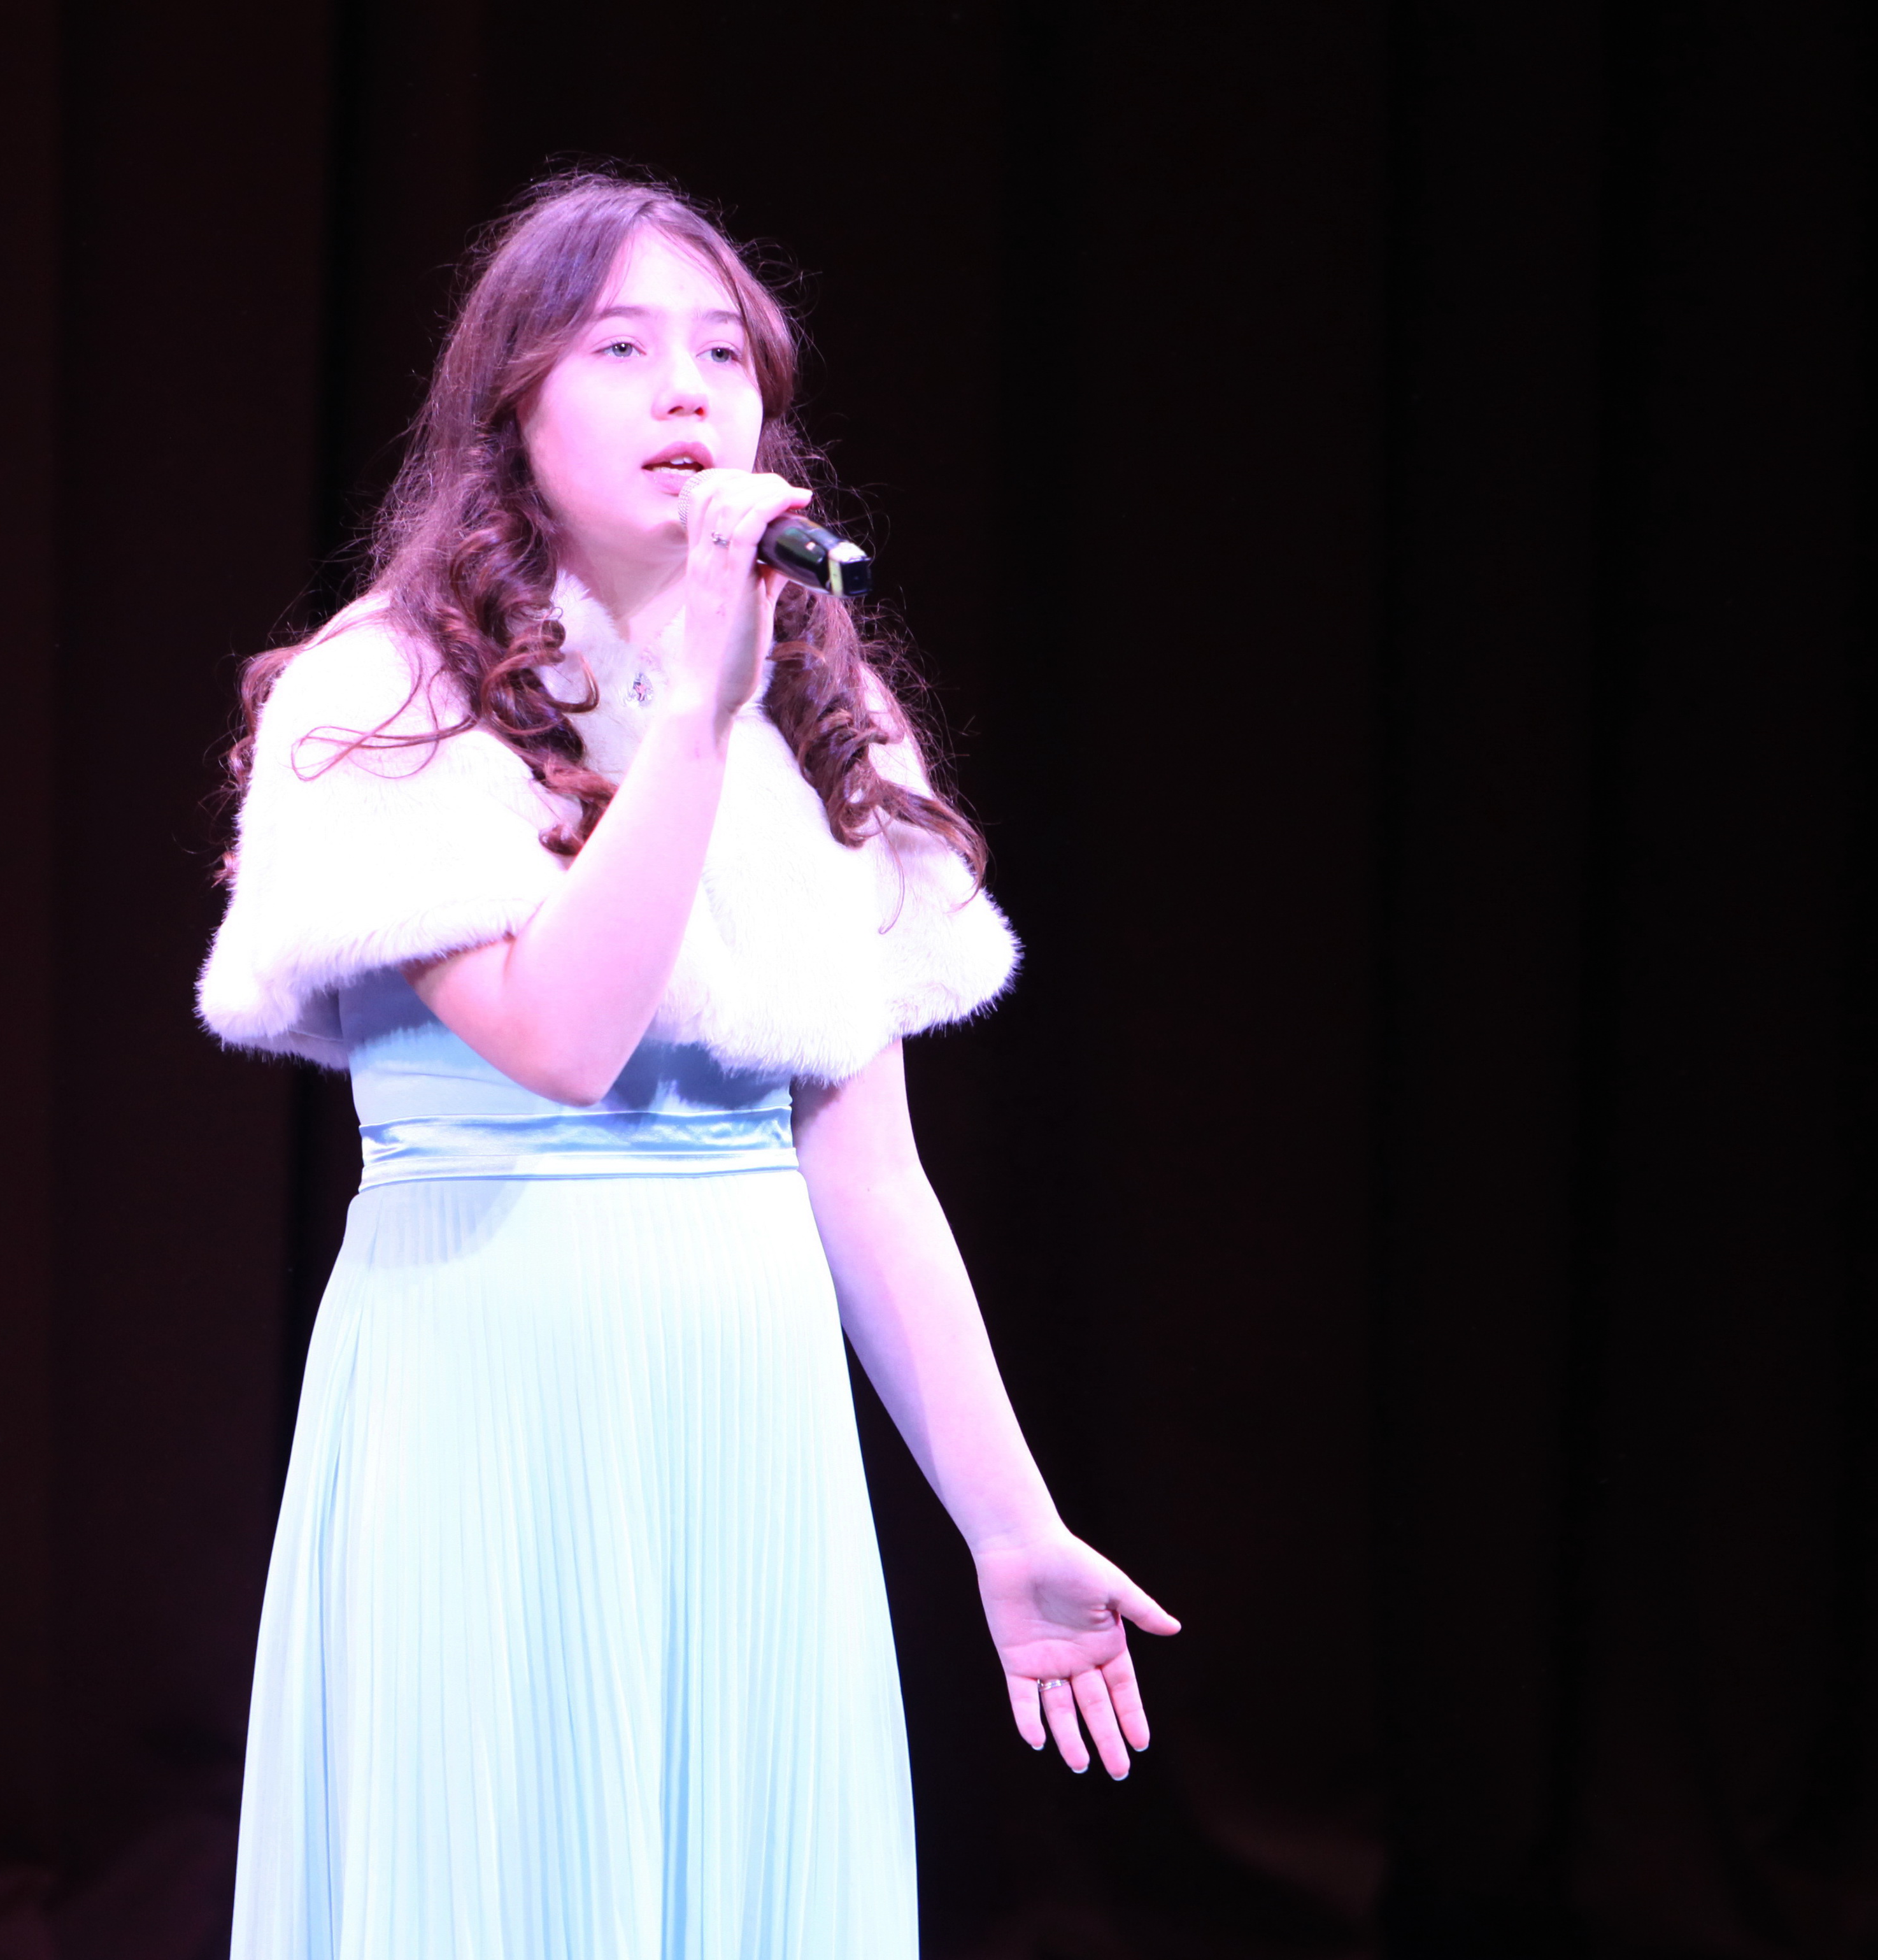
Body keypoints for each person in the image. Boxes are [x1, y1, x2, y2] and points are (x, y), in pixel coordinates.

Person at [197, 171, 1177, 1959]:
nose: (686, 392)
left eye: (725, 353)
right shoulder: (384, 697)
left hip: (745, 1421)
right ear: (510, 406)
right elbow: (561, 1042)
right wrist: (696, 724)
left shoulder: (820, 712)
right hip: (488, 1400)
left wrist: (1008, 1525)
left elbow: (867, 1173)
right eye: (621, 348)